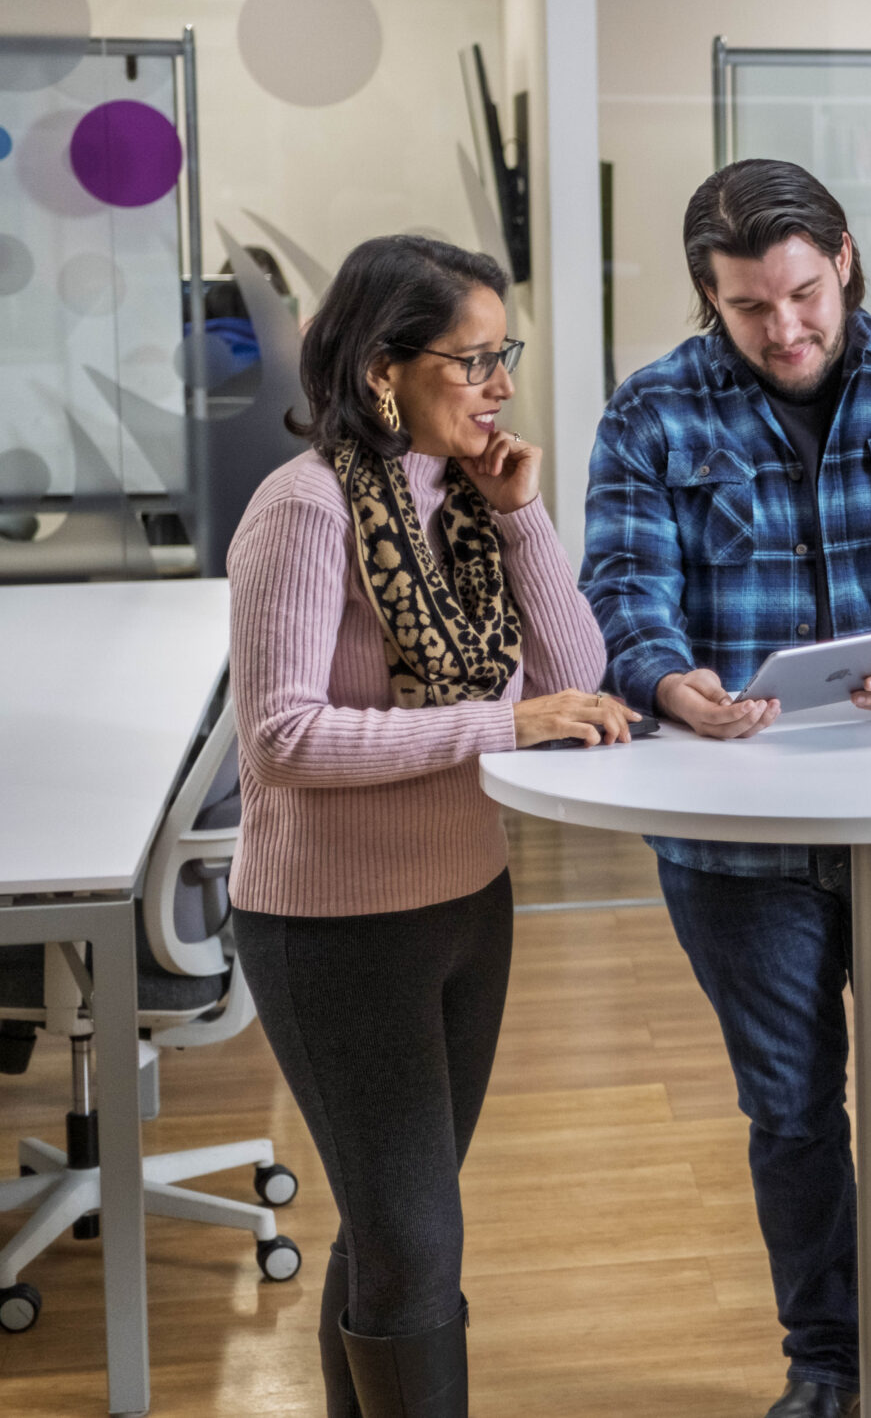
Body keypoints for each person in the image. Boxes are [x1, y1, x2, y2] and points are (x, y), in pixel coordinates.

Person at [580, 160, 871, 1418]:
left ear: (842, 258)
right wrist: (666, 676)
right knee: (790, 1115)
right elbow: (620, 588)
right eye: (748, 307)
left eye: (802, 294)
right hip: (737, 847)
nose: (783, 329)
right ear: (708, 293)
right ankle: (828, 1368)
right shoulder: (651, 413)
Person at [227, 235, 631, 1418]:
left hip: (465, 904)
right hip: (335, 929)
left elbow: (576, 677)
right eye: (473, 358)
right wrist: (501, 725)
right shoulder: (304, 509)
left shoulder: (460, 502)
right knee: (411, 1239)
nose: (500, 384)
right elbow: (283, 740)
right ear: (381, 370)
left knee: (391, 1228)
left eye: (506, 355)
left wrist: (522, 518)